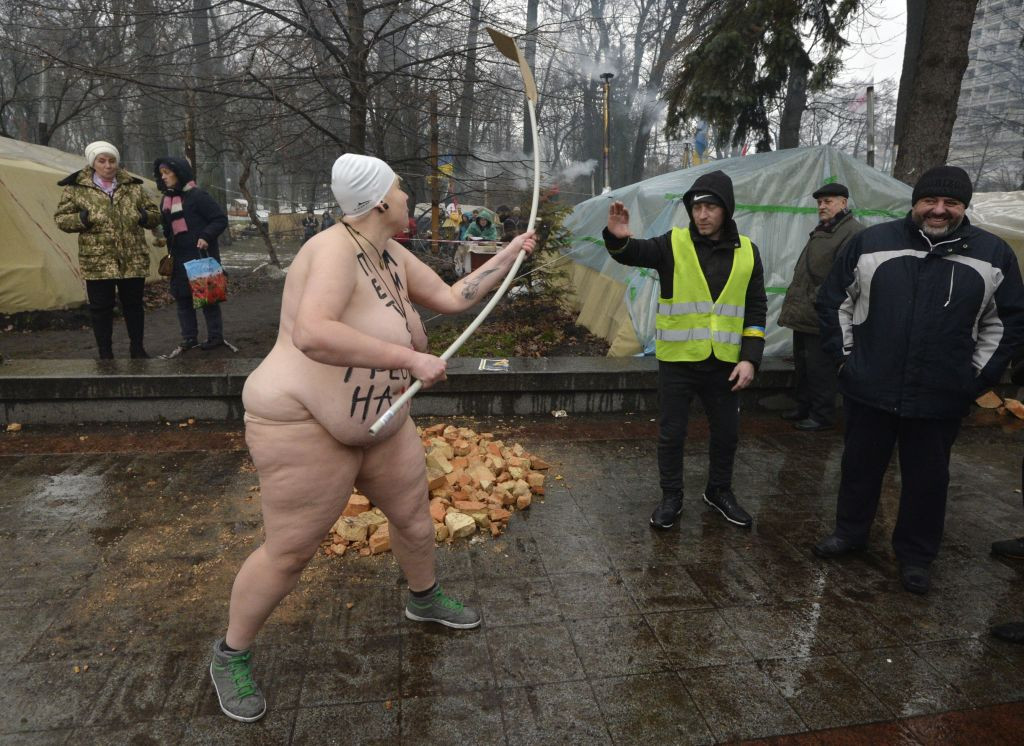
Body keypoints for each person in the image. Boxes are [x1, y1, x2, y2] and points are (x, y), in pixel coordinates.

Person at [208, 153, 536, 722]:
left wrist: (509, 253)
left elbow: (454, 299)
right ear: (380, 200)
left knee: (412, 519)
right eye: (402, 190)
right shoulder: (331, 250)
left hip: (382, 421)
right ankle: (229, 653)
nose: (409, 197)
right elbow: (313, 333)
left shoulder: (388, 251)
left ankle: (424, 598)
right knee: (289, 553)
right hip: (303, 423)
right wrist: (412, 357)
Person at [813, 166, 1024, 595]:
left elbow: (1004, 324)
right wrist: (846, 361)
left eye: (951, 203)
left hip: (941, 393)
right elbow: (835, 301)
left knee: (928, 480)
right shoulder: (871, 243)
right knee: (859, 468)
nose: (939, 210)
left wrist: (975, 379)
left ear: (965, 207)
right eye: (930, 201)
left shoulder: (993, 254)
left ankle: (915, 555)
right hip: (870, 385)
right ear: (916, 202)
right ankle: (850, 533)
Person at [604, 170, 767, 530]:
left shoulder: (748, 253)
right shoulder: (672, 244)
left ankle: (719, 491)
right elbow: (634, 252)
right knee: (671, 432)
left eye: (710, 207)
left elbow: (756, 308)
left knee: (727, 433)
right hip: (678, 360)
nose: (702, 215)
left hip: (725, 362)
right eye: (696, 207)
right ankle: (671, 497)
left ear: (726, 210)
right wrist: (617, 241)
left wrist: (750, 358)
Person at [54, 141, 161, 359]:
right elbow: (61, 219)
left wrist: (143, 216)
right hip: (97, 261)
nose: (108, 165)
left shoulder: (133, 187)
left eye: (112, 160)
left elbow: (155, 214)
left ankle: (137, 349)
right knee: (101, 309)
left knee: (134, 306)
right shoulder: (76, 188)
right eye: (102, 161)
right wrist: (82, 218)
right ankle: (105, 353)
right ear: (93, 163)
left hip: (132, 259)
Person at [777, 183, 864, 431]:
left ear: (844, 203)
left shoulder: (852, 233)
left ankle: (822, 414)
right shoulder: (825, 230)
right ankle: (803, 405)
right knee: (803, 365)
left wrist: (820, 299)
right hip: (805, 312)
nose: (822, 207)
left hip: (824, 313)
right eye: (819, 203)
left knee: (820, 368)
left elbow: (844, 275)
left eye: (828, 201)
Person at [153, 157, 230, 356]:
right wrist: (160, 235)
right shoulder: (166, 200)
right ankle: (189, 338)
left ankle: (215, 337)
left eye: (167, 173)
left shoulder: (198, 196)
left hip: (200, 257)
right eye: (162, 174)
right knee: (183, 300)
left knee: (208, 300)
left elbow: (220, 219)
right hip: (178, 259)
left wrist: (206, 236)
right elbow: (166, 227)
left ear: (179, 173)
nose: (164, 177)